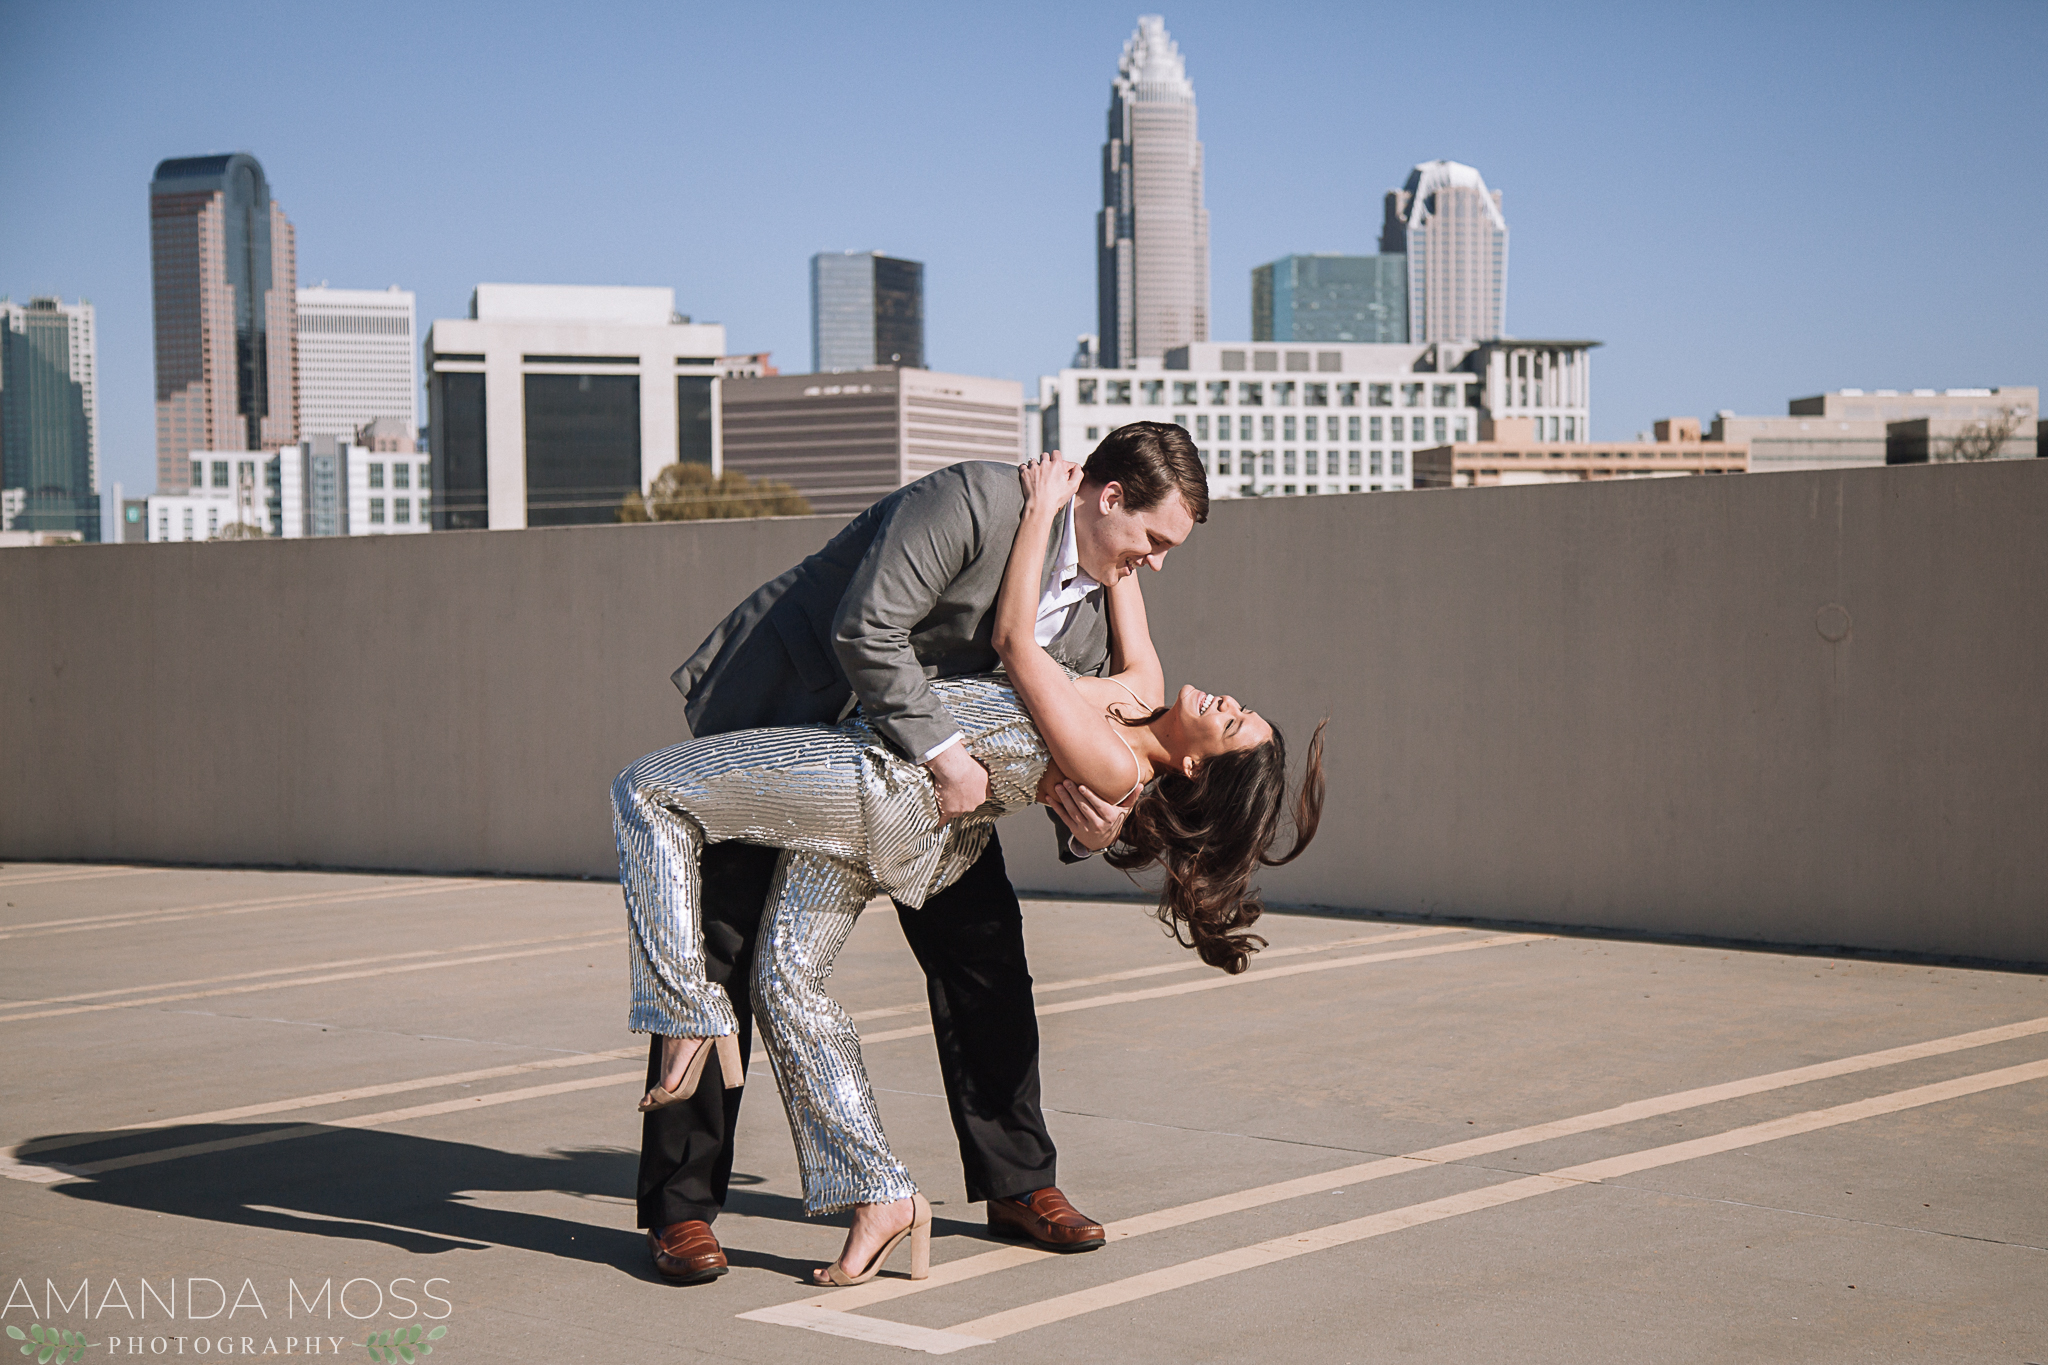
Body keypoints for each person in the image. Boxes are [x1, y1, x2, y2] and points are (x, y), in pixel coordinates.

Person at [613, 451, 1324, 1285]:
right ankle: (682, 1206)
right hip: (816, 719)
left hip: (935, 802)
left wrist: (1096, 826)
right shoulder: (980, 500)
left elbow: (1097, 755)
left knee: (987, 959)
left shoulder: (1100, 624)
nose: (1155, 563)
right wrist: (948, 754)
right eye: (1152, 538)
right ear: (1108, 494)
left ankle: (1017, 1182)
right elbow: (866, 628)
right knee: (722, 943)